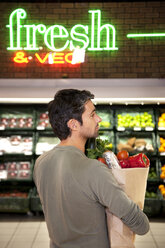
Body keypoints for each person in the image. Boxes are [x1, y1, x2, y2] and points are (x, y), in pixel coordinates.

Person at [33, 89, 150, 248]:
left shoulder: (41, 163)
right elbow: (141, 225)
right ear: (73, 124)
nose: (99, 118)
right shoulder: (93, 169)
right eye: (92, 114)